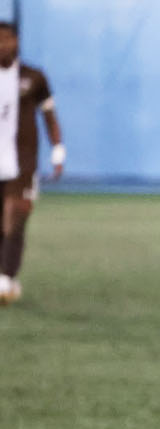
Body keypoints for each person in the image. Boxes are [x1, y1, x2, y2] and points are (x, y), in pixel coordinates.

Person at [0, 21, 64, 306]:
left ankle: (6, 277)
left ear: (16, 41)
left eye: (7, 39)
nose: (3, 45)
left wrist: (58, 149)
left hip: (22, 163)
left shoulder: (33, 77)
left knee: (15, 218)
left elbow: (49, 115)